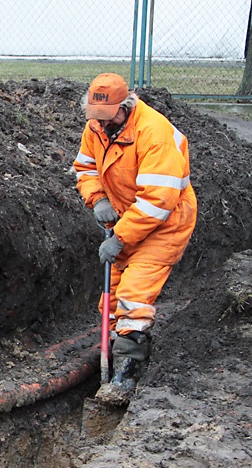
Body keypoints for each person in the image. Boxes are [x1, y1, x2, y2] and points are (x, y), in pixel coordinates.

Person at [73, 73, 197, 400]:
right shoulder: (97, 128)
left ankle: (126, 377)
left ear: (125, 106)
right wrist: (97, 198)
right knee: (110, 298)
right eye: (95, 117)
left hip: (165, 221)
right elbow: (85, 169)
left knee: (133, 295)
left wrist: (119, 238)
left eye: (108, 116)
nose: (101, 123)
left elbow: (158, 201)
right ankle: (113, 356)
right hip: (127, 218)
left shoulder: (153, 133)